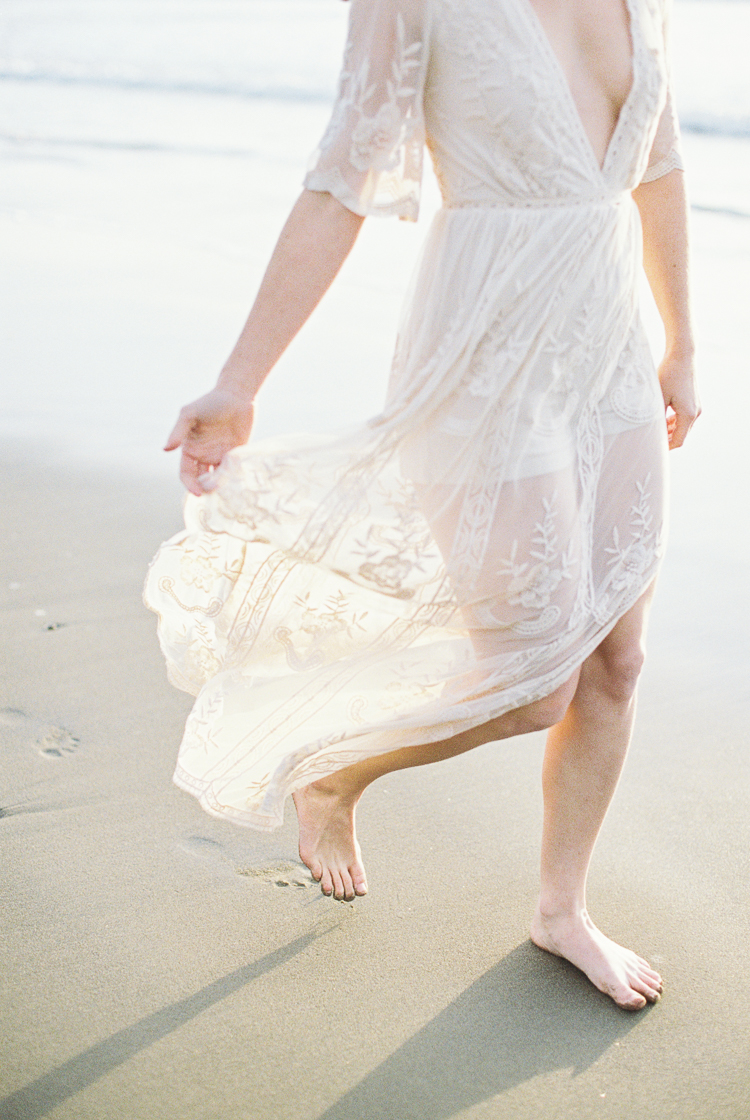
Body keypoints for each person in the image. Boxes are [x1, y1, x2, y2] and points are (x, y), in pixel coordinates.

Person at [144, 0, 700, 1012]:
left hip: (609, 343)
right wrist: (240, 379)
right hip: (485, 350)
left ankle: (561, 908)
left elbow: (658, 164)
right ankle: (335, 772)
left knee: (616, 661)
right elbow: (339, 182)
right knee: (534, 678)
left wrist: (683, 345)